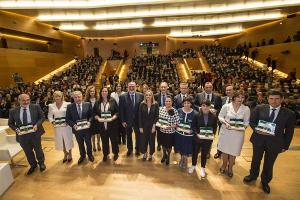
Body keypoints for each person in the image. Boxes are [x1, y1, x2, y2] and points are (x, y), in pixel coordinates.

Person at [244, 90, 296, 194]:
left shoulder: (289, 113)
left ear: (281, 99)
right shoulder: (259, 108)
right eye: (271, 98)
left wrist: (285, 146)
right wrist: (256, 129)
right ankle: (253, 175)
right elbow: (252, 122)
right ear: (268, 99)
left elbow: (289, 132)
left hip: (275, 142)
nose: (274, 101)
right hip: (259, 139)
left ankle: (265, 181)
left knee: (269, 163)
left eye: (277, 99)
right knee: (255, 159)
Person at [8, 94, 46, 175]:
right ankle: (33, 165)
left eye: (28, 100)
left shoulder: (36, 107)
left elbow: (42, 117)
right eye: (24, 100)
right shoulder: (13, 111)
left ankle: (41, 163)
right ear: (19, 101)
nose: (26, 102)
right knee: (28, 151)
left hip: (35, 133)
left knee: (38, 150)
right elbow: (10, 123)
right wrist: (16, 129)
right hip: (22, 135)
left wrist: (37, 125)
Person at [217, 91, 250, 177]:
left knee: (233, 152)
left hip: (238, 134)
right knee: (225, 151)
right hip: (226, 131)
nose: (240, 99)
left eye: (242, 97)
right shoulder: (226, 106)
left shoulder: (246, 109)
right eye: (238, 97)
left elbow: (246, 122)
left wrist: (243, 127)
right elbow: (220, 116)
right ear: (234, 97)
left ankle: (230, 167)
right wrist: (225, 123)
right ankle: (224, 165)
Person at [189, 100, 218, 177]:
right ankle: (193, 165)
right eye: (203, 106)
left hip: (207, 139)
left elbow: (215, 127)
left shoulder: (214, 116)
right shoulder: (196, 115)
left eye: (207, 106)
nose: (205, 107)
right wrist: (197, 133)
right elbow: (193, 126)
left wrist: (213, 134)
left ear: (209, 107)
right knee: (195, 153)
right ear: (201, 106)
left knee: (204, 154)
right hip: (197, 138)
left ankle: (203, 168)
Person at [66, 91, 94, 164]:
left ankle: (90, 155)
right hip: (77, 130)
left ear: (82, 97)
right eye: (75, 97)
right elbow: (68, 119)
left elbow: (92, 116)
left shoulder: (87, 104)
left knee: (88, 143)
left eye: (79, 97)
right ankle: (82, 156)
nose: (77, 99)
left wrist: (89, 122)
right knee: (80, 144)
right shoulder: (70, 107)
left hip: (87, 129)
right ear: (73, 98)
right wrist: (73, 125)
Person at [93, 87, 119, 161]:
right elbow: (94, 113)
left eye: (106, 91)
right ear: (100, 93)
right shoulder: (97, 102)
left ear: (108, 92)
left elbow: (117, 112)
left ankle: (116, 153)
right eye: (103, 91)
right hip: (102, 125)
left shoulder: (112, 101)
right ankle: (105, 154)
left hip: (112, 124)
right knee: (104, 141)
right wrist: (98, 118)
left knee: (114, 140)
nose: (104, 92)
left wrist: (113, 118)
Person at [119, 81, 144, 156]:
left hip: (137, 120)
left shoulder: (141, 95)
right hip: (127, 120)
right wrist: (123, 121)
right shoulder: (122, 96)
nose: (131, 88)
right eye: (130, 86)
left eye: (133, 86)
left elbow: (142, 109)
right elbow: (121, 110)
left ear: (136, 87)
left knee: (138, 135)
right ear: (128, 87)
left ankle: (137, 149)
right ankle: (129, 149)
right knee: (128, 136)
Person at [48, 91, 73, 163]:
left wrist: (68, 122)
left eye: (59, 96)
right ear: (54, 97)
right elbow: (49, 116)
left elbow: (70, 115)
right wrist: (53, 122)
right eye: (56, 96)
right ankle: (65, 154)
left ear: (62, 96)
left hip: (66, 126)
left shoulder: (68, 104)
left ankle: (70, 154)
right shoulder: (51, 106)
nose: (57, 98)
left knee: (68, 140)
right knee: (61, 141)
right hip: (57, 127)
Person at [174, 96, 197, 169]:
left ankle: (185, 159)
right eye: (185, 103)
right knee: (181, 148)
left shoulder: (195, 113)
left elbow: (197, 125)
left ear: (191, 104)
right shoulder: (179, 110)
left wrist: (192, 130)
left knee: (187, 149)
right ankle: (182, 158)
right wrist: (176, 126)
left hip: (189, 136)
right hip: (179, 134)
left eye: (188, 103)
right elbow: (176, 120)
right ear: (183, 103)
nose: (186, 104)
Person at [157, 96, 180, 165]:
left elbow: (177, 123)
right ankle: (164, 155)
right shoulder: (161, 109)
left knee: (169, 146)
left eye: (169, 101)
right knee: (163, 145)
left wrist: (170, 127)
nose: (168, 102)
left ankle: (168, 156)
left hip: (170, 132)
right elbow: (158, 119)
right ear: (164, 102)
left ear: (172, 102)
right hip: (162, 131)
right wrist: (159, 123)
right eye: (166, 101)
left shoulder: (175, 110)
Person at [214, 84, 234, 159]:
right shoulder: (222, 99)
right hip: (222, 123)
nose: (228, 91)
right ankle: (219, 152)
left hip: (232, 124)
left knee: (230, 139)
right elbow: (218, 110)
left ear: (233, 90)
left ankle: (229, 153)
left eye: (230, 90)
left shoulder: (237, 100)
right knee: (221, 138)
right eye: (227, 90)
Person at [138, 90, 159, 161]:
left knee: (151, 141)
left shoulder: (156, 104)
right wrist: (140, 127)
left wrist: (154, 126)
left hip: (152, 126)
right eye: (147, 95)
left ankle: (150, 154)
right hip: (143, 126)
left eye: (150, 95)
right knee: (143, 140)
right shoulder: (142, 104)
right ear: (145, 96)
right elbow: (139, 116)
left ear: (152, 96)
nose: (148, 96)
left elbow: (157, 116)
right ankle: (144, 153)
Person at [154, 82, 173, 151]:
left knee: (166, 131)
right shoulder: (155, 96)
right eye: (162, 87)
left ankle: (166, 144)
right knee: (159, 131)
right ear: (159, 88)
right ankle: (159, 144)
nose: (163, 88)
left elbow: (173, 105)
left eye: (164, 87)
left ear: (167, 87)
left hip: (168, 117)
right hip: (159, 117)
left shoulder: (171, 95)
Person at [85, 85, 101, 152]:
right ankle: (93, 144)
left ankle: (98, 143)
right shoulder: (86, 101)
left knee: (98, 132)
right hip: (90, 119)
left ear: (95, 92)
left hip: (97, 118)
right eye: (91, 91)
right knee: (92, 133)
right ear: (88, 92)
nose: (92, 92)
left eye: (93, 91)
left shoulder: (99, 99)